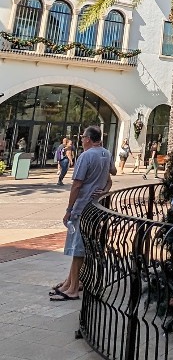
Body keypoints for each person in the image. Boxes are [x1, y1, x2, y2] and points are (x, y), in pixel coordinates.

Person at [50, 125, 116, 301]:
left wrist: (69, 209)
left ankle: (72, 288)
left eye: (82, 136)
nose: (81, 139)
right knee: (79, 245)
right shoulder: (106, 153)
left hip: (82, 206)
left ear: (88, 139)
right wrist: (104, 190)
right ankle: (70, 282)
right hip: (95, 207)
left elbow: (77, 184)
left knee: (77, 247)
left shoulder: (86, 156)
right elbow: (111, 176)